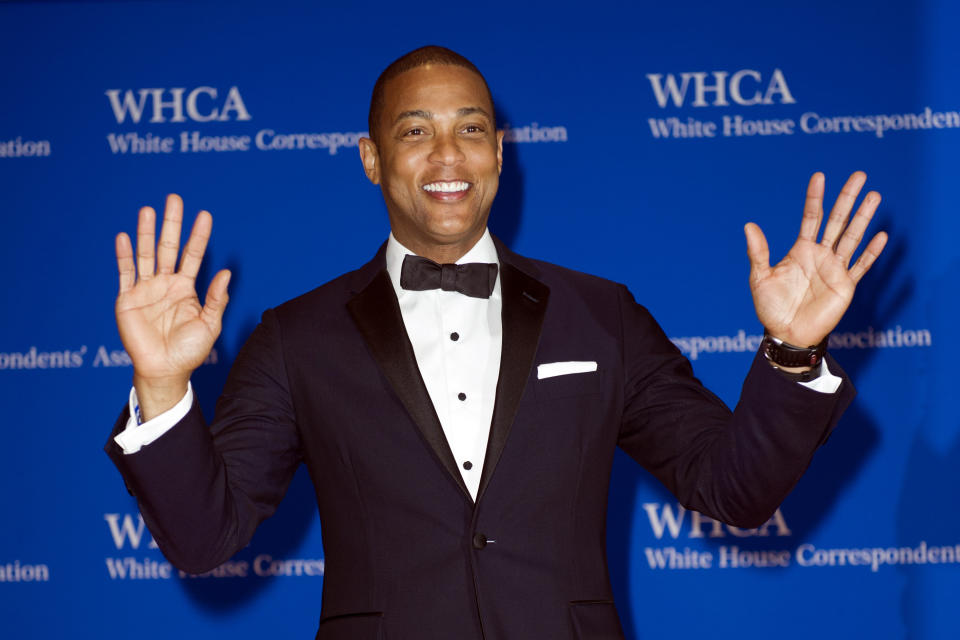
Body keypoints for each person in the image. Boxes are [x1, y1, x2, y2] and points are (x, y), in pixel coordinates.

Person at [105, 46, 887, 639]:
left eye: (471, 130)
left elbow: (733, 490)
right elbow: (208, 540)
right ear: (372, 159)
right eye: (416, 132)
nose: (448, 157)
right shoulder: (295, 337)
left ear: (500, 154)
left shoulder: (600, 314)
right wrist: (164, 386)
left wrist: (790, 352)